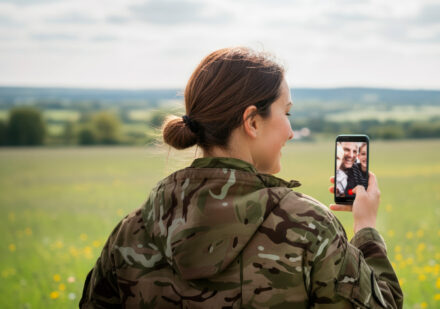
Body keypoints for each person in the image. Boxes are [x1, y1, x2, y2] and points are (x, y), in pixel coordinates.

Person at [79, 47, 403, 308]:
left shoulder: (130, 233)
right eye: (286, 113)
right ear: (252, 121)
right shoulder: (308, 226)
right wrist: (366, 229)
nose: (290, 131)